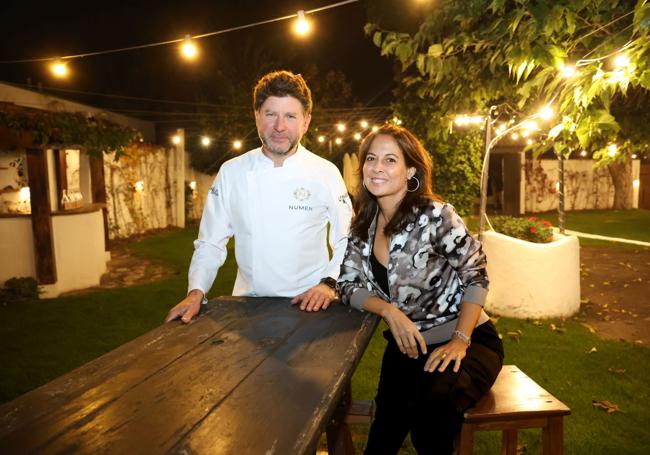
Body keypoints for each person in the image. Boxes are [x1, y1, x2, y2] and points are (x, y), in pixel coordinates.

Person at [337, 124, 503, 454]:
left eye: (390, 160)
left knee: (430, 419)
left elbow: (477, 275)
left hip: (467, 343)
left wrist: (460, 339)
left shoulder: (436, 215)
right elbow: (346, 285)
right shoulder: (363, 226)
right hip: (407, 348)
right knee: (383, 436)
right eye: (371, 159)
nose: (377, 168)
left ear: (410, 169)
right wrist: (388, 310)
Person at [166, 70, 352, 324]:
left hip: (310, 305)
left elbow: (347, 238)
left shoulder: (325, 172)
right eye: (270, 114)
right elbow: (210, 242)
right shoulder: (232, 172)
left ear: (306, 122)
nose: (279, 126)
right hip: (247, 306)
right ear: (256, 116)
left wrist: (329, 283)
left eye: (290, 116)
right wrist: (196, 292)